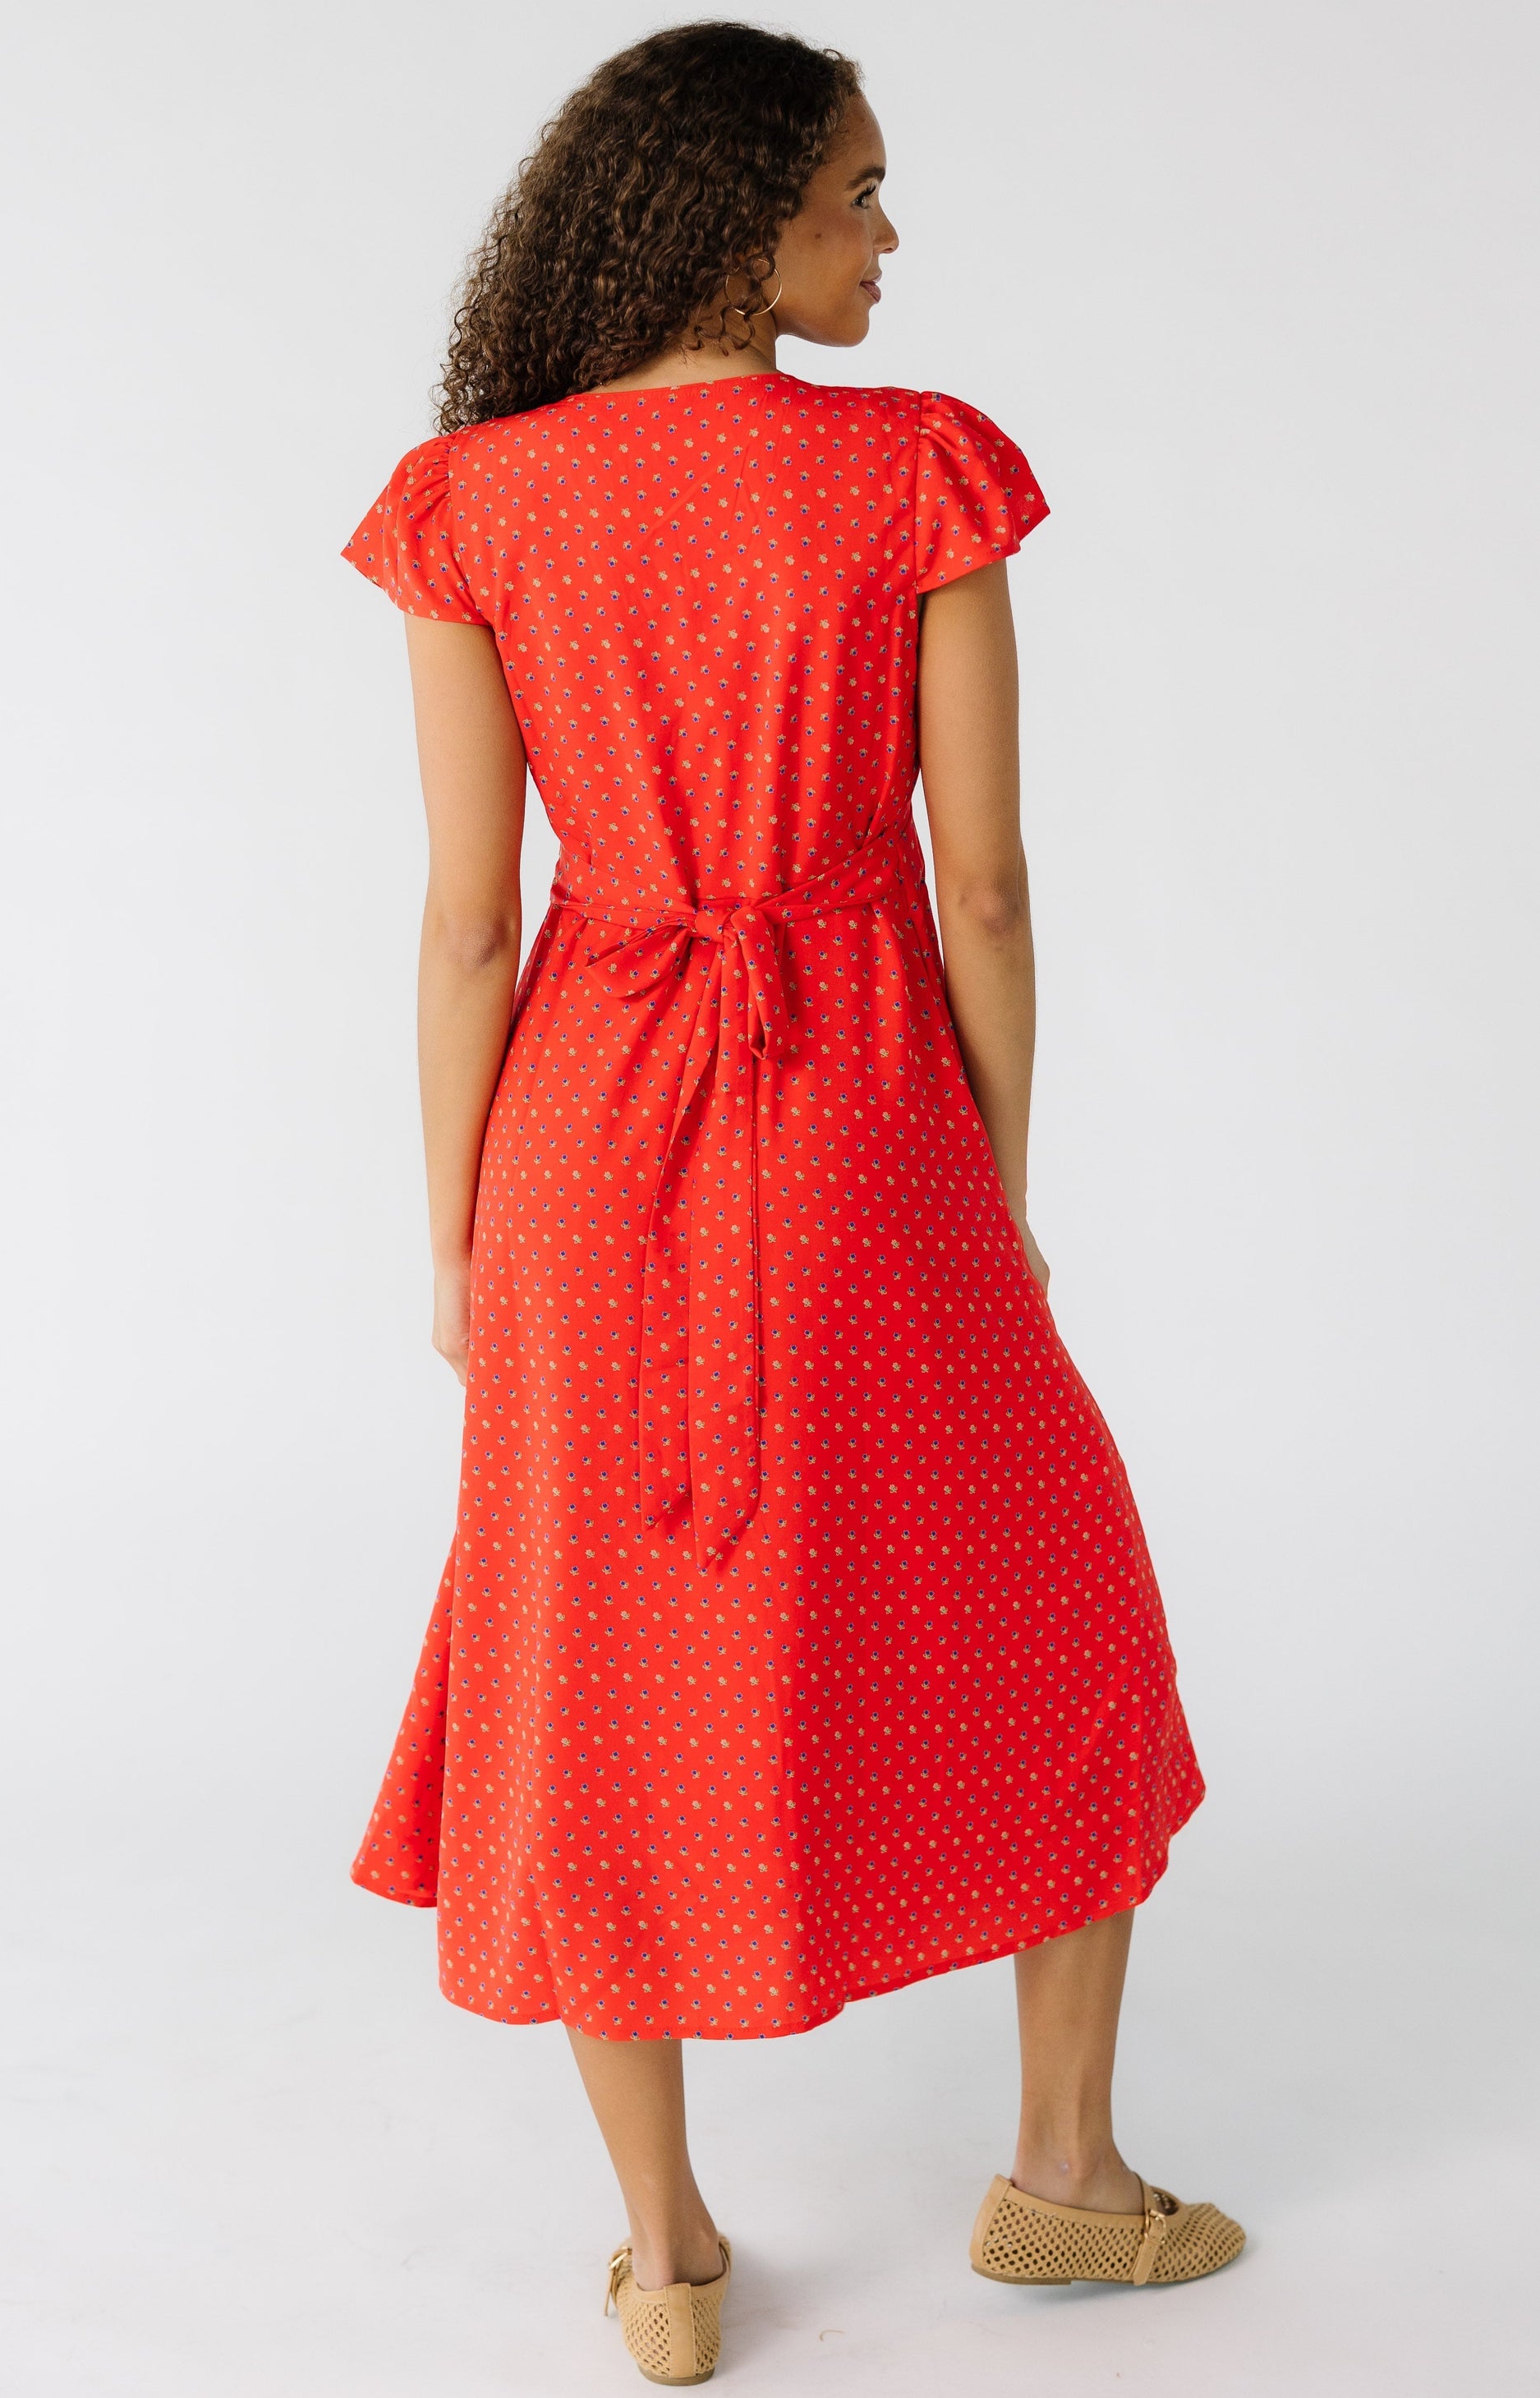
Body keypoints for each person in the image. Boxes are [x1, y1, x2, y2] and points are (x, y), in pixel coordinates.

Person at [340, 21, 1243, 2384]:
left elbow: (463, 921)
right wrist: (998, 1192)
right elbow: (987, 890)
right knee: (1050, 1589)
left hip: (576, 1134)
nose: (885, 233)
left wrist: (450, 1236)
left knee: (583, 1643)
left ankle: (665, 2257)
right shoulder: (913, 476)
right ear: (736, 218)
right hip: (853, 1117)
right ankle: (1065, 2181)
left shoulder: (477, 502)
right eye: (856, 190)